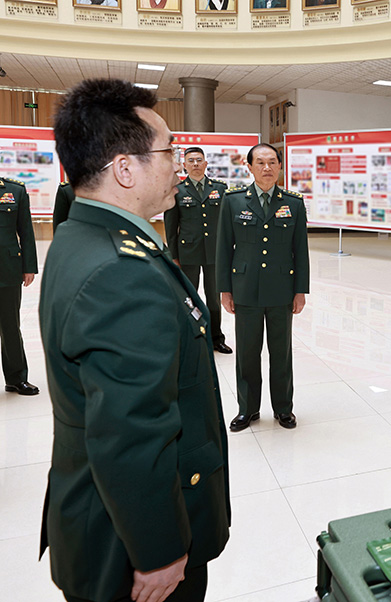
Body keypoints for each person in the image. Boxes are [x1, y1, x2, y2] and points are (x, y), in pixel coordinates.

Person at [40, 78, 230, 602]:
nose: (177, 162)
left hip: (93, 520)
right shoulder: (120, 270)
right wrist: (160, 552)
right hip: (128, 550)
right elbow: (132, 432)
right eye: (168, 150)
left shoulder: (79, 235)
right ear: (125, 168)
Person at [217, 143, 309, 431]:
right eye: (260, 163)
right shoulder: (232, 201)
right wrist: (225, 289)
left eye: (272, 162)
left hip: (282, 289)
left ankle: (283, 408)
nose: (266, 168)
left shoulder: (293, 202)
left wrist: (300, 290)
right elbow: (223, 247)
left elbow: (300, 249)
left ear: (280, 167)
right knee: (246, 352)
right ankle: (248, 409)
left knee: (281, 353)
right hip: (245, 288)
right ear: (249, 167)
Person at [165, 147, 233, 354]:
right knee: (189, 297)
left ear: (206, 164)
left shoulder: (220, 188)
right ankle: (190, 338)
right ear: (184, 165)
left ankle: (215, 338)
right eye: (191, 160)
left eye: (199, 160)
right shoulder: (177, 189)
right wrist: (174, 256)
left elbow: (227, 224)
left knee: (214, 298)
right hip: (188, 253)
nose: (195, 163)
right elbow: (171, 227)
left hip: (214, 253)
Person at [0, 176, 39, 396]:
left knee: (10, 326)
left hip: (7, 268)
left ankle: (16, 378)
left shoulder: (15, 191)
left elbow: (25, 231)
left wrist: (29, 267)